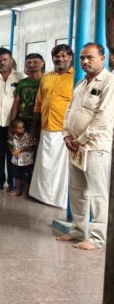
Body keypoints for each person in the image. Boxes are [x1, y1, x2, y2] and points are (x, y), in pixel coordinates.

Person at [58, 43, 114, 250]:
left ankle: (98, 238)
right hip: (75, 147)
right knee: (77, 191)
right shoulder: (81, 83)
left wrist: (80, 140)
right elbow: (69, 111)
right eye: (82, 57)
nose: (85, 61)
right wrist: (66, 135)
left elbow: (104, 118)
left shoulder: (110, 82)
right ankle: (79, 230)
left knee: (98, 194)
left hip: (95, 147)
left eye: (90, 57)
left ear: (102, 58)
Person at [31, 44, 74, 209]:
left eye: (64, 56)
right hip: (46, 126)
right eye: (57, 56)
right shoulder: (46, 77)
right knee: (45, 164)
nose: (60, 59)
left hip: (64, 129)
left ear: (70, 57)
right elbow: (38, 103)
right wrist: (34, 128)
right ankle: (42, 195)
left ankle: (58, 199)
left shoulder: (76, 77)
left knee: (60, 167)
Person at [0, 47, 25, 192]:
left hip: (14, 124)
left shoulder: (20, 77)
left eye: (5, 60)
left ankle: (12, 183)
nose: (2, 62)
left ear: (11, 60)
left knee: (13, 154)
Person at [10, 53, 45, 133]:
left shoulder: (46, 81)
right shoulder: (22, 83)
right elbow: (16, 104)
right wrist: (12, 125)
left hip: (41, 122)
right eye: (29, 62)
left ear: (42, 64)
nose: (31, 64)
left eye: (35, 62)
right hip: (22, 123)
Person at [8, 118, 35, 198]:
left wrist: (20, 150)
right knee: (18, 176)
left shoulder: (28, 136)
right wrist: (12, 151)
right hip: (16, 161)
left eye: (23, 127)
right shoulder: (13, 137)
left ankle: (25, 193)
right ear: (14, 129)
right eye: (19, 128)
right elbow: (10, 145)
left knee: (26, 177)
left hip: (26, 161)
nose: (22, 129)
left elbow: (31, 146)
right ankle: (18, 191)